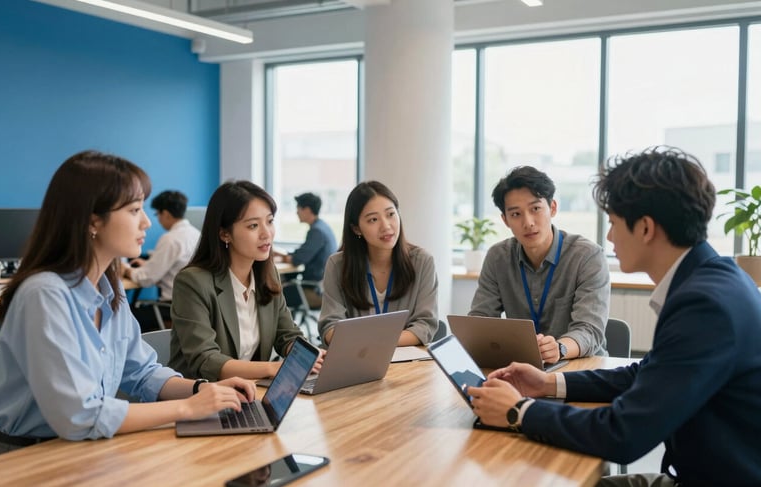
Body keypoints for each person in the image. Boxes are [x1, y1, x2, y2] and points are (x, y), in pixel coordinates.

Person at [467, 147, 761, 486]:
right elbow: (646, 373)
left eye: (614, 223)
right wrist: (548, 383)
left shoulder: (704, 305)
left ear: (646, 228)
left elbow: (623, 433)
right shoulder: (713, 279)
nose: (609, 237)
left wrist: (519, 411)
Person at [0, 151, 255, 455]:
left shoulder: (109, 288)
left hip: (87, 449)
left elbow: (142, 372)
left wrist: (202, 389)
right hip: (29, 456)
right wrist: (187, 408)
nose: (146, 223)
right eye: (134, 210)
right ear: (93, 221)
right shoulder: (45, 294)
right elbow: (79, 416)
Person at [169, 181, 324, 381]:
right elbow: (206, 360)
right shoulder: (193, 282)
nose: (266, 233)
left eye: (269, 221)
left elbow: (286, 334)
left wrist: (309, 355)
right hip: (200, 398)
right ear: (225, 234)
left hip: (249, 395)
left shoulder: (268, 274)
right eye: (253, 225)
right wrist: (271, 368)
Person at [468, 166, 610, 362]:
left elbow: (589, 330)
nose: (528, 223)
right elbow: (479, 322)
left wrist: (558, 348)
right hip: (522, 366)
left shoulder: (587, 256)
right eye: (516, 214)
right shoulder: (498, 257)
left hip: (578, 368)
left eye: (535, 209)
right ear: (505, 220)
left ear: (552, 208)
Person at [318, 181, 438, 346]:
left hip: (406, 361)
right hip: (356, 359)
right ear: (356, 229)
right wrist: (369, 346)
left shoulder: (422, 262)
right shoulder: (338, 265)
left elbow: (425, 326)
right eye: (373, 219)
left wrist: (375, 342)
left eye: (390, 214)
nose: (386, 226)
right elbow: (330, 326)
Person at [120, 190, 201, 330]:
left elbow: (146, 279)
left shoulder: (171, 239)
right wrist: (150, 264)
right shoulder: (196, 234)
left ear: (166, 214)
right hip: (195, 309)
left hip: (172, 309)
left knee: (125, 315)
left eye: (158, 214)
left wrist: (126, 269)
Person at [274, 192, 337, 308]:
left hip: (315, 290)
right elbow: (302, 253)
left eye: (298, 208)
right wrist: (284, 255)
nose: (296, 212)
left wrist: (283, 256)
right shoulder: (322, 227)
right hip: (322, 286)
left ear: (307, 210)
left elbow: (298, 259)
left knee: (272, 295)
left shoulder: (317, 232)